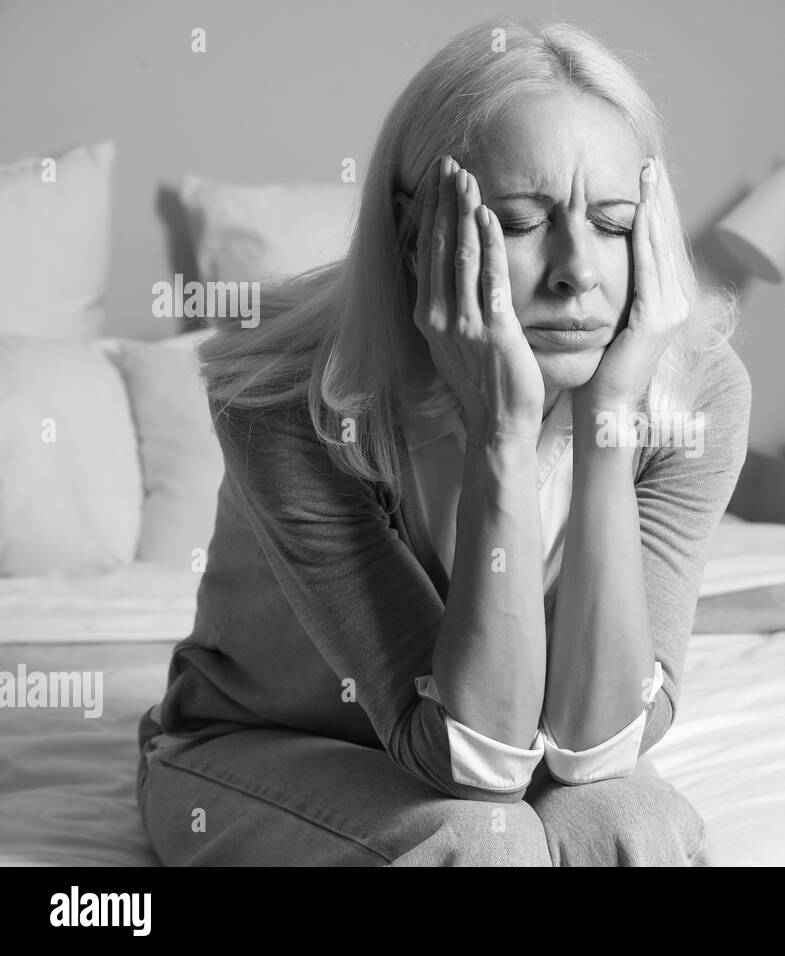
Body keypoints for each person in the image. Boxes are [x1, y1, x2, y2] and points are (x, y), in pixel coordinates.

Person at [135, 16, 751, 866]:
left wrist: (607, 419)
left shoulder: (697, 392)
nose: (578, 268)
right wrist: (501, 432)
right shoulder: (285, 399)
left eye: (612, 223)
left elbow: (601, 748)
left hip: (527, 756)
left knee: (631, 823)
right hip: (266, 745)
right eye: (521, 219)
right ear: (417, 228)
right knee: (481, 843)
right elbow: (472, 762)